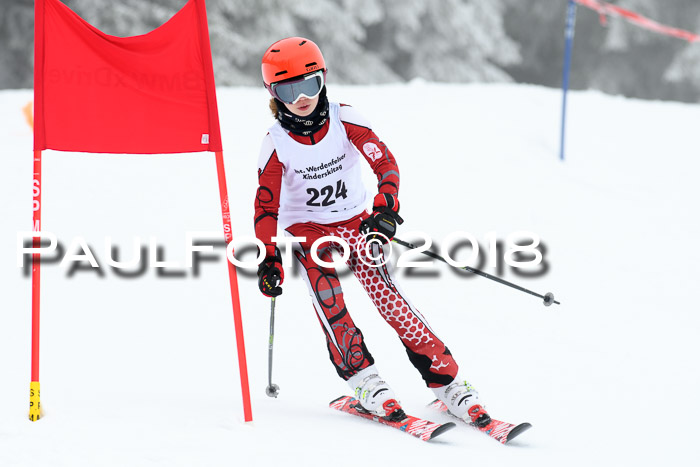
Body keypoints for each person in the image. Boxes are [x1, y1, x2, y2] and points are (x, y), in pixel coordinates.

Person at [254, 37, 490, 427]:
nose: (301, 98)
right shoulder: (275, 144)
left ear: (323, 79)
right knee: (331, 303)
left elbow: (386, 165)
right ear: (273, 94)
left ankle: (446, 381)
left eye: (309, 85)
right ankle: (364, 380)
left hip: (355, 221)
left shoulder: (346, 119)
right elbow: (266, 207)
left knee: (391, 301)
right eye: (287, 90)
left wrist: (385, 211)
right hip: (307, 231)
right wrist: (269, 256)